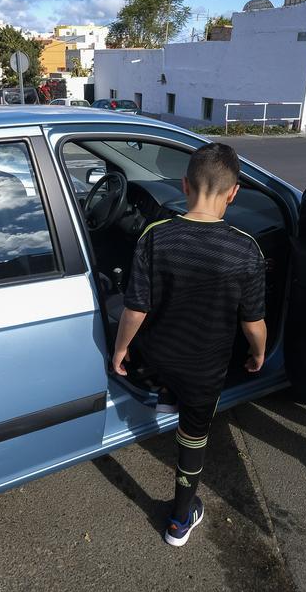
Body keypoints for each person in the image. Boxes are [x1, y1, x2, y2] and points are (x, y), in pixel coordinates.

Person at [112, 142, 268, 546]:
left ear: (184, 186)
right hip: (204, 370)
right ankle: (180, 520)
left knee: (165, 354)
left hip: (159, 355)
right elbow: (253, 323)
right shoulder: (245, 249)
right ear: (233, 193)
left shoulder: (155, 236)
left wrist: (121, 349)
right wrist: (258, 354)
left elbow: (136, 310)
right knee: (193, 439)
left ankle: (167, 393)